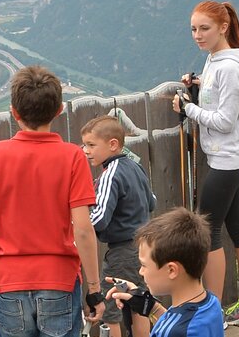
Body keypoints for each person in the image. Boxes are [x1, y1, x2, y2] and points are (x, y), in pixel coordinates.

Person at [0, 66, 106, 337]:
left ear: (14, 113)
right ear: (59, 110)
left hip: (10, 280)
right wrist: (94, 289)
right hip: (58, 278)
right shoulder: (72, 157)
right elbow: (83, 229)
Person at [170, 0, 239, 327]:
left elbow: (224, 120)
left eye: (204, 28)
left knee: (208, 234)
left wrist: (187, 109)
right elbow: (222, 98)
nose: (197, 35)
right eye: (194, 29)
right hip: (232, 159)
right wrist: (198, 86)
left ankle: (212, 315)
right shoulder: (218, 60)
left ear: (223, 27)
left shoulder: (226, 66)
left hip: (226, 160)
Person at [83, 112, 156, 337]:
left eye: (91, 145)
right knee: (139, 304)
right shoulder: (135, 167)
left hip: (122, 252)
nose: (86, 151)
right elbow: (151, 202)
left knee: (112, 306)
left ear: (113, 145)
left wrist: (79, 220)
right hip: (143, 246)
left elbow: (100, 218)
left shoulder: (109, 174)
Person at [104, 207, 223, 337]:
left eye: (144, 265)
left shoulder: (174, 332)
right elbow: (179, 323)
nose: (140, 272)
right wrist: (150, 307)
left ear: (171, 270)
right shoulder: (211, 304)